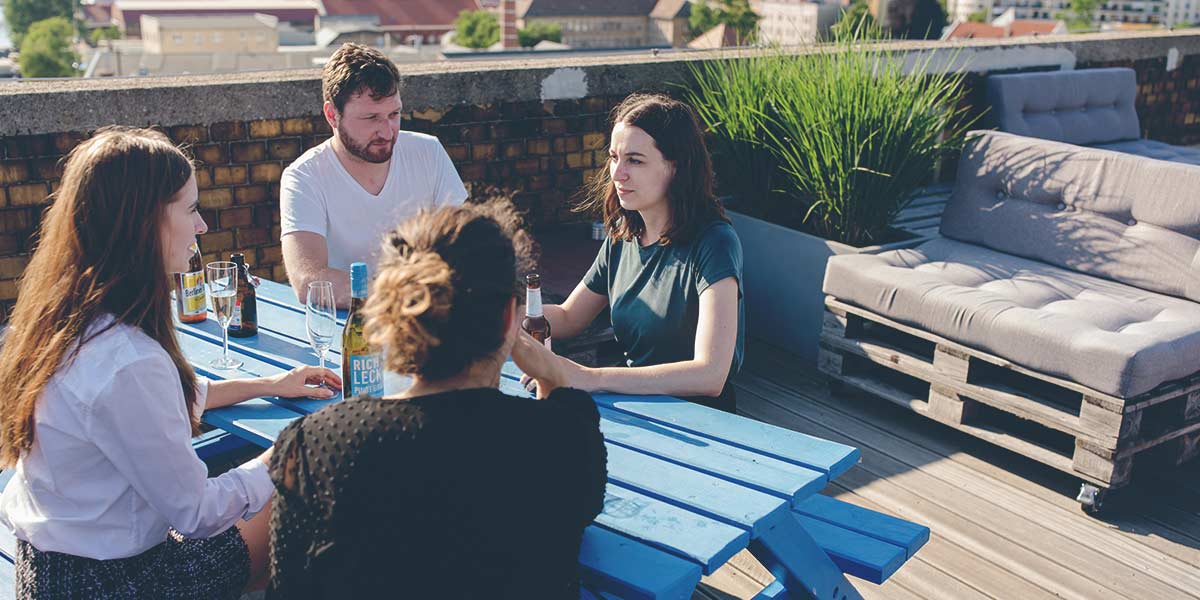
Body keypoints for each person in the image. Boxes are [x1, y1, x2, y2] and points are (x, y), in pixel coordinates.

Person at [0, 128, 341, 599]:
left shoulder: (57, 322)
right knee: (299, 500)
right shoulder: (129, 361)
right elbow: (198, 515)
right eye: (192, 209)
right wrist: (292, 449)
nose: (202, 227)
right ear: (146, 222)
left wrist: (273, 383)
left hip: (48, 572)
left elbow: (154, 405)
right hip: (122, 584)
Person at [266, 201, 607, 599]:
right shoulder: (559, 438)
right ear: (509, 321)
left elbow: (286, 589)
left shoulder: (313, 446)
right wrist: (554, 377)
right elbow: (577, 510)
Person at [526, 93, 744, 413]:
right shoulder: (623, 234)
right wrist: (497, 318)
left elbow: (710, 374)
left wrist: (589, 376)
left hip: (700, 420)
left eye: (635, 160)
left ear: (677, 167)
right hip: (633, 405)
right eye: (615, 157)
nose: (617, 174)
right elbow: (570, 317)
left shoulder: (715, 243)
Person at [281, 43, 468, 307]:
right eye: (371, 118)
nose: (387, 130)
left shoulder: (428, 152)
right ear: (332, 115)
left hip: (433, 319)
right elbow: (309, 280)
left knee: (528, 323)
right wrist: (405, 297)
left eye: (394, 114)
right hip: (352, 329)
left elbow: (466, 248)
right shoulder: (304, 177)